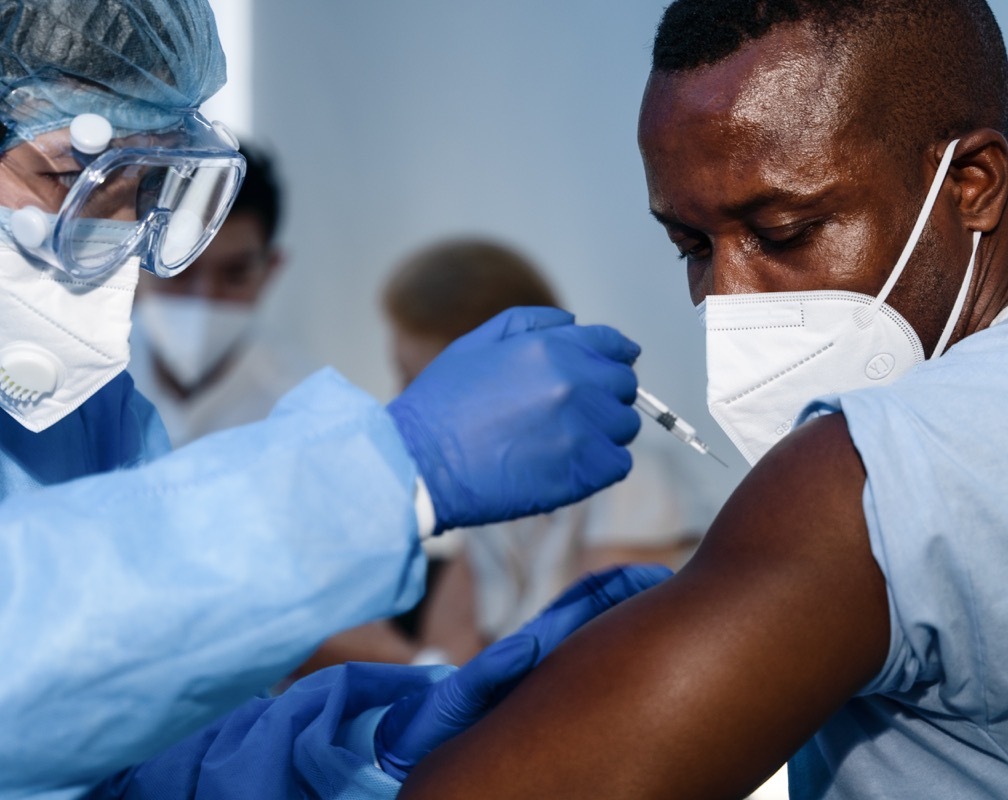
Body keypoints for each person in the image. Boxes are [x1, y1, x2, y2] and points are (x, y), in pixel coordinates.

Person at [397, 1, 1008, 798]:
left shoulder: (887, 464)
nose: (729, 300)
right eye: (692, 248)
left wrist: (368, 755)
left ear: (971, 184)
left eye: (783, 231)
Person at [0, 1, 651, 797]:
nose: (107, 231)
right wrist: (390, 478)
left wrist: (359, 750)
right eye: (68, 175)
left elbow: (122, 750)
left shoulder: (87, 411)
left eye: (141, 185)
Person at [380, 238, 709, 665]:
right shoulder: (491, 494)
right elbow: (441, 657)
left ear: (505, 376)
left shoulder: (635, 479)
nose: (398, 404)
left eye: (415, 383)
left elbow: (598, 663)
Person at [128, 141, 316, 447]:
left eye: (235, 273)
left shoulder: (306, 410)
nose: (204, 296)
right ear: (136, 260)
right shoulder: (79, 387)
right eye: (178, 268)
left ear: (270, 271)